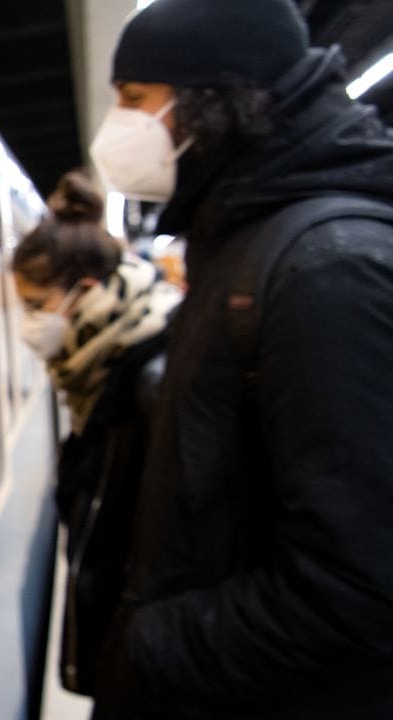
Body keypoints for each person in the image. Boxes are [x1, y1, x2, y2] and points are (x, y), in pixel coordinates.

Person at [88, 1, 393, 716]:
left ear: (208, 100)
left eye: (134, 99)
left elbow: (363, 585)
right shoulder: (245, 238)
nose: (118, 126)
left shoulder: (327, 268)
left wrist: (153, 643)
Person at [12, 171, 181, 698]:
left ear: (85, 292)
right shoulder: (98, 365)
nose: (29, 324)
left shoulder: (152, 376)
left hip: (153, 656)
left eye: (37, 306)